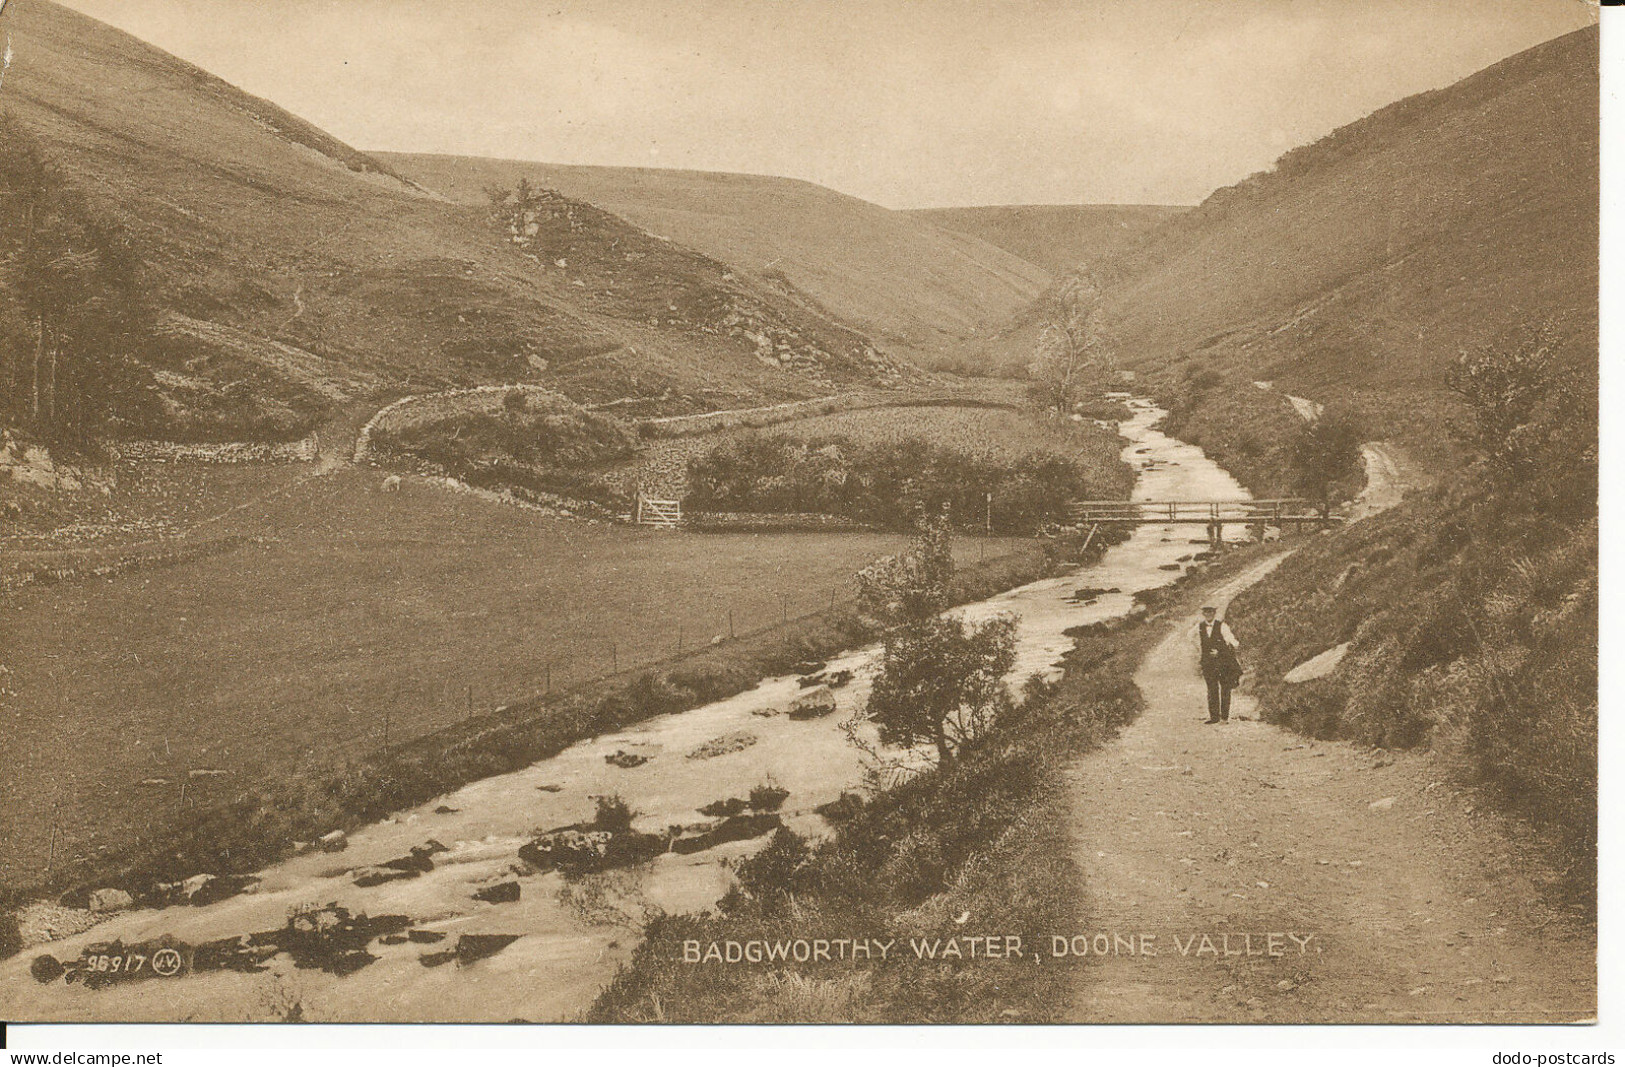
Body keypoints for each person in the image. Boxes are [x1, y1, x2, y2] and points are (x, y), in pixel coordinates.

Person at [1197, 605, 1242, 723]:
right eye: (1206, 612)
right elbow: (1191, 637)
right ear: (1203, 614)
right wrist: (1200, 650)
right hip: (1208, 663)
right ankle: (1214, 717)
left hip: (1222, 662)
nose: (1208, 614)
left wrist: (1220, 650)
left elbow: (1232, 641)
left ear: (1214, 613)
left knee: (1225, 688)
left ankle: (1224, 717)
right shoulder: (1200, 626)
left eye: (1211, 612)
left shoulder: (1222, 626)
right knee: (1211, 689)